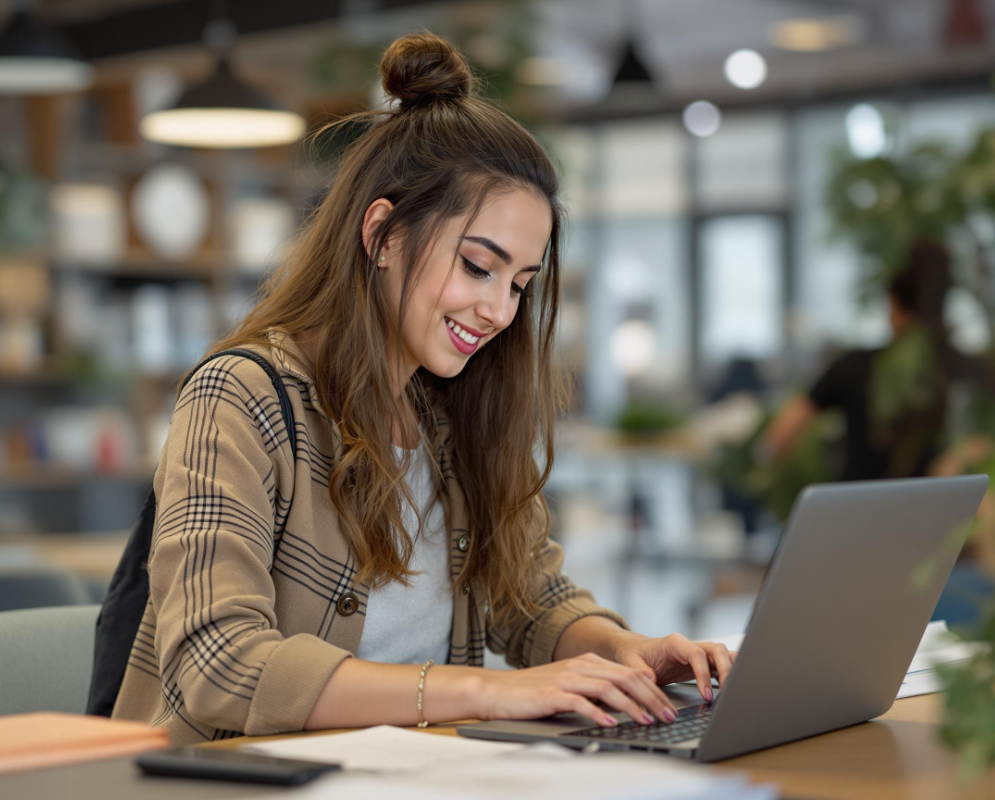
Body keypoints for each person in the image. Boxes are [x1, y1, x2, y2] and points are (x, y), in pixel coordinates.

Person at [110, 32, 734, 745]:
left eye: (519, 285)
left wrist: (623, 651)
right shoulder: (241, 397)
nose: (500, 311)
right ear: (382, 236)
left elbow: (529, 599)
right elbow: (218, 664)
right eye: (477, 267)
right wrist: (488, 692)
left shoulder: (452, 410)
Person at [766, 239, 992, 481]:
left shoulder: (853, 366)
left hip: (859, 508)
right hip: (944, 513)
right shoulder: (971, 369)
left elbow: (779, 438)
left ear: (894, 306)